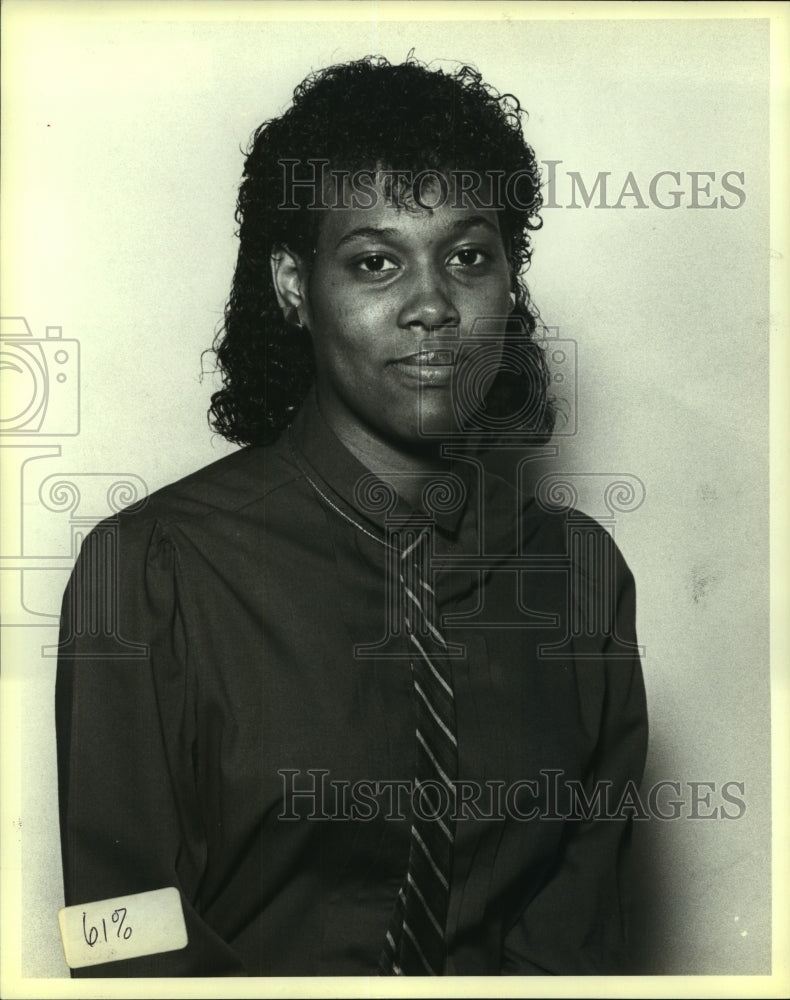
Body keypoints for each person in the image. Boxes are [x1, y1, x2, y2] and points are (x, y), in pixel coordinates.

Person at [55, 55, 648, 977]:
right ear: (294, 287)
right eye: (376, 262)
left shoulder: (579, 578)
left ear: (508, 281)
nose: (431, 307)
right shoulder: (151, 569)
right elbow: (122, 929)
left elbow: (579, 935)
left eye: (468, 256)